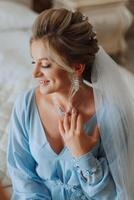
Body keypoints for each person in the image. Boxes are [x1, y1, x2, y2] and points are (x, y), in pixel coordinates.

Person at [7, 8, 134, 200]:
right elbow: (23, 178)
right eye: (34, 62)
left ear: (76, 67)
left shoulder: (111, 114)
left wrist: (83, 155)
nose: (35, 74)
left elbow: (116, 195)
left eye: (46, 64)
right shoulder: (25, 106)